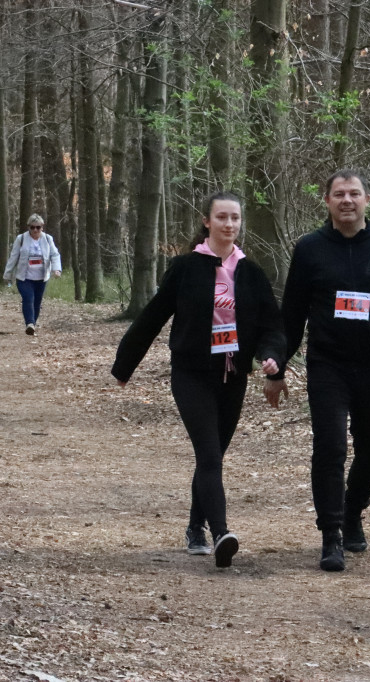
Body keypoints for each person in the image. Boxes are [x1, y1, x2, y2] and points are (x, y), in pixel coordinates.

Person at [112, 191, 286, 569]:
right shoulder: (186, 268)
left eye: (235, 218)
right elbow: (153, 316)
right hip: (191, 374)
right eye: (221, 217)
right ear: (207, 222)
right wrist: (125, 365)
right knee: (209, 453)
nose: (229, 224)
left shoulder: (252, 274)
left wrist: (272, 358)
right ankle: (221, 532)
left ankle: (195, 526)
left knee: (213, 456)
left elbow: (272, 326)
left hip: (234, 376)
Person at [264, 170, 370, 572]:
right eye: (339, 194)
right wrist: (277, 369)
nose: (347, 200)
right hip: (327, 363)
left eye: (354, 194)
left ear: (368, 199)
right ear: (328, 202)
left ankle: (353, 513)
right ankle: (331, 534)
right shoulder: (311, 248)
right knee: (330, 447)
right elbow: (293, 314)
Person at [2, 214, 62, 335]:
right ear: (28, 227)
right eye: (32, 227)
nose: (35, 230)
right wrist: (7, 274)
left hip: (41, 277)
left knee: (37, 301)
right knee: (28, 298)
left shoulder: (47, 239)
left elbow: (54, 254)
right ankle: (29, 323)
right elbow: (13, 257)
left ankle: (33, 324)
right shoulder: (21, 238)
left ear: (42, 227)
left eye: (38, 227)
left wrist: (57, 269)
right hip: (24, 277)